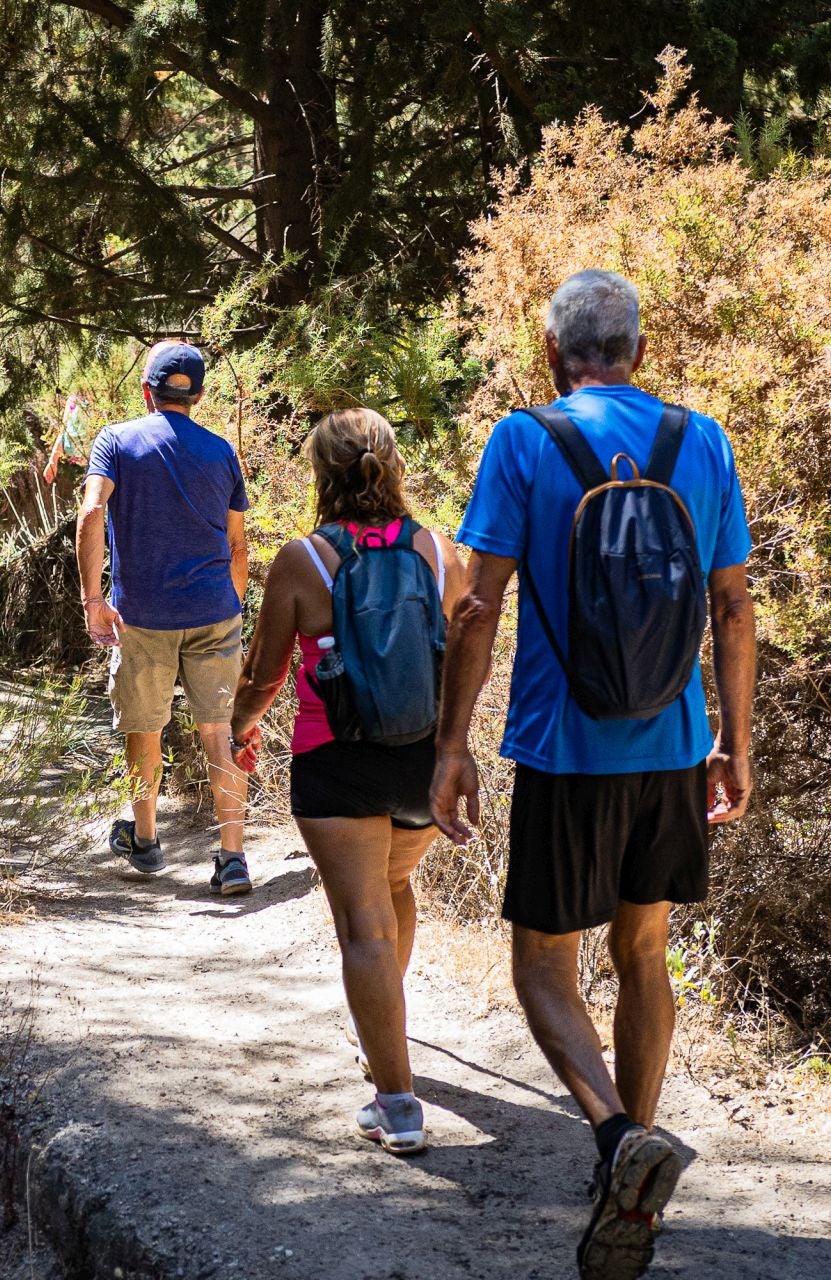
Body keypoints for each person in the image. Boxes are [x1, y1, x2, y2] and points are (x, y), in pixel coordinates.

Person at [429, 270, 756, 1279]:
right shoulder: (702, 442)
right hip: (673, 743)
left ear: (549, 352)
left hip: (566, 748)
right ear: (639, 354)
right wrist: (737, 745)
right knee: (645, 949)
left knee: (542, 967)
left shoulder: (526, 441)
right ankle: (634, 1173)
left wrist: (450, 744)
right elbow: (734, 607)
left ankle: (620, 1142)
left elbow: (478, 608)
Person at [229, 408, 465, 1154]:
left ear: (320, 474)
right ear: (393, 467)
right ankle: (383, 1038)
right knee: (395, 892)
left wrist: (237, 727)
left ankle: (397, 1104)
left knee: (364, 924)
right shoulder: (437, 548)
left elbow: (267, 673)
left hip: (338, 761)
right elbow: (458, 652)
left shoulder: (305, 560)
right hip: (421, 759)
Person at [76, 341, 251, 894]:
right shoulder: (221, 452)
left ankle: (147, 843)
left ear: (146, 390)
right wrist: (231, 607)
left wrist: (93, 600)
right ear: (197, 396)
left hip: (143, 618)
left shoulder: (116, 441)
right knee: (219, 732)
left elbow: (92, 510)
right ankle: (232, 858)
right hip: (215, 613)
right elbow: (238, 545)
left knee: (143, 729)